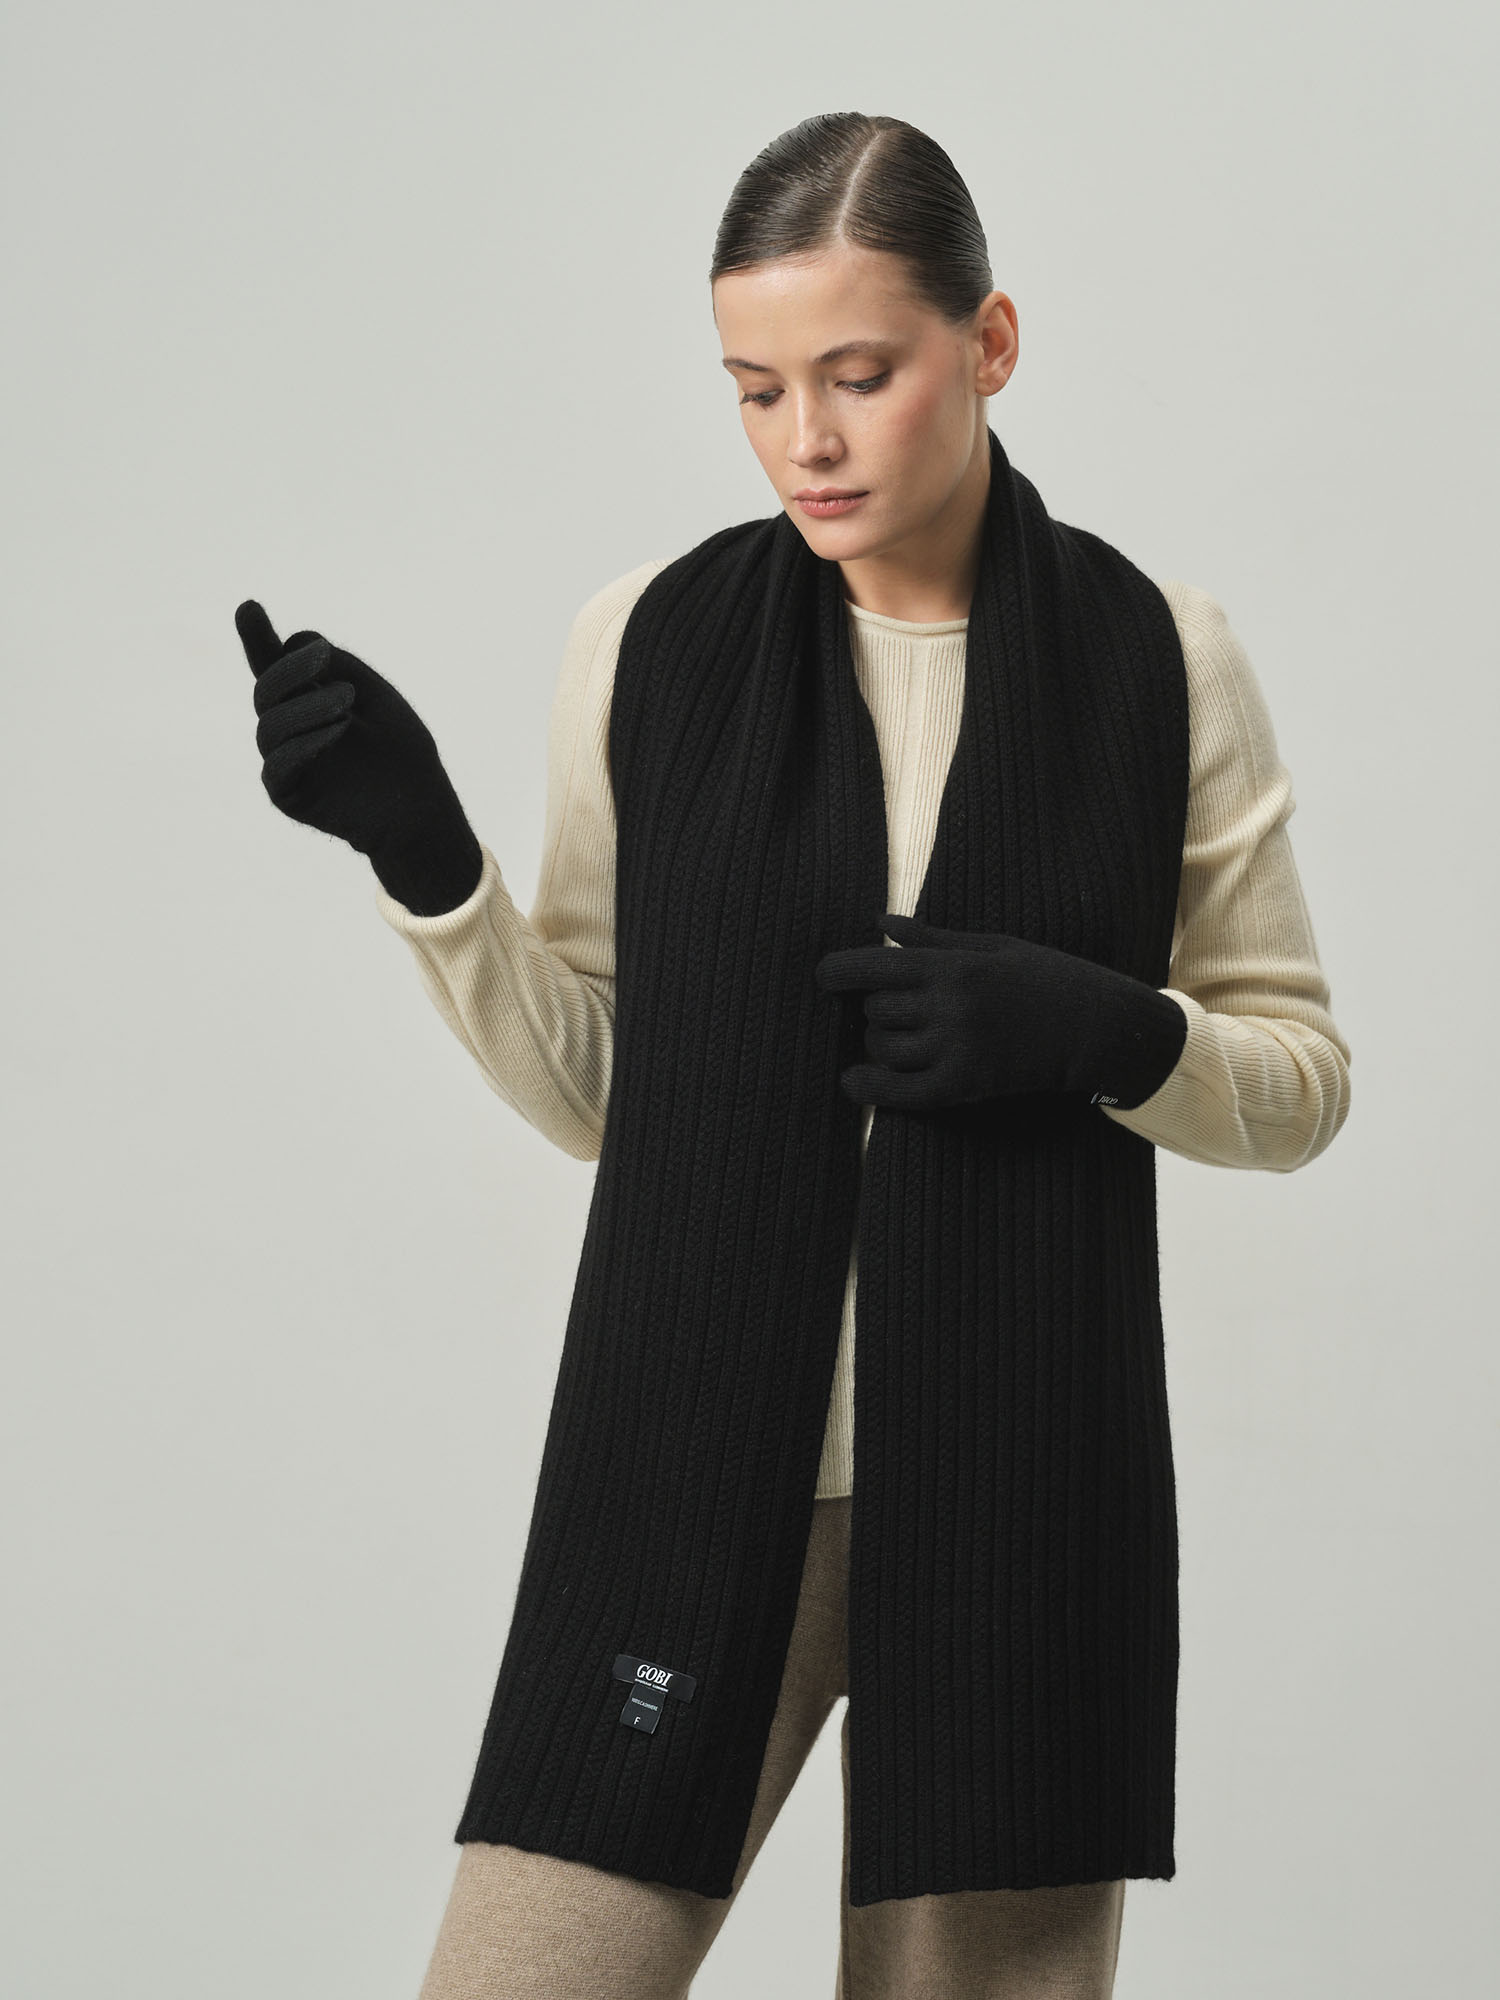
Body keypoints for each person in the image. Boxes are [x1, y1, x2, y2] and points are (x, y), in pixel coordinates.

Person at [235, 112, 1352, 2000]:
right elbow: (608, 1098)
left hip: (1015, 1486)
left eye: (859, 375)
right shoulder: (655, 642)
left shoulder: (1159, 654)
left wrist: (1106, 1030)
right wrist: (425, 860)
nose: (805, 443)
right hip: (686, 1461)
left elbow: (1301, 1080)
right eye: (756, 391)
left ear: (989, 344)